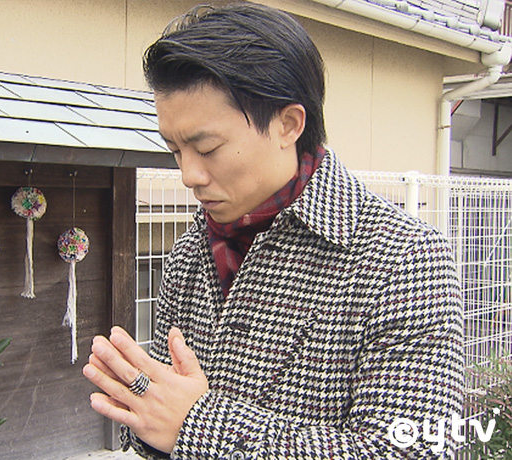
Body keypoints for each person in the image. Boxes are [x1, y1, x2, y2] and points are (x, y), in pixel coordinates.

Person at [83, 3, 463, 458]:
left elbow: (415, 448)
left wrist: (197, 426)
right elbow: (164, 423)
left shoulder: (405, 258)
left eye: (207, 147)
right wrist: (144, 413)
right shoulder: (191, 253)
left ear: (288, 125)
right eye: (176, 150)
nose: (188, 175)